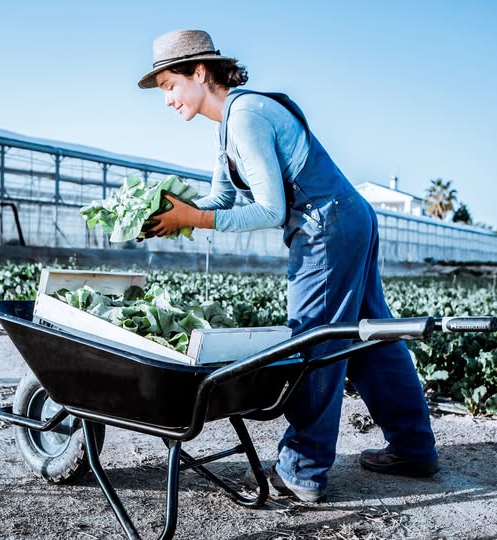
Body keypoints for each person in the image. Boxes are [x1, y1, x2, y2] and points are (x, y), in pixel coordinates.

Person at [139, 29, 438, 503]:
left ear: (199, 72)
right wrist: (180, 216)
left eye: (170, 85)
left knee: (314, 340)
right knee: (367, 338)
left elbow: (271, 210)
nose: (167, 99)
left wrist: (195, 217)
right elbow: (222, 199)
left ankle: (302, 469)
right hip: (347, 218)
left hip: (326, 227)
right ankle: (413, 447)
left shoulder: (246, 116)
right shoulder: (228, 124)